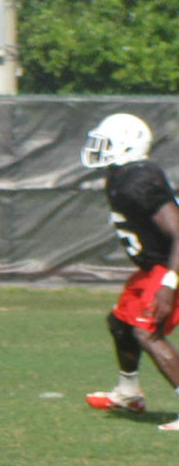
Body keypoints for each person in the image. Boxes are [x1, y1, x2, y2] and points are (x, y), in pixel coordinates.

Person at [78, 113, 179, 428]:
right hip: (153, 266)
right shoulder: (122, 175)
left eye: (106, 143)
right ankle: (129, 393)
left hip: (169, 266)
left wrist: (169, 283)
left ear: (127, 146)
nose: (98, 149)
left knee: (147, 331)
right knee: (120, 323)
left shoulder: (138, 179)